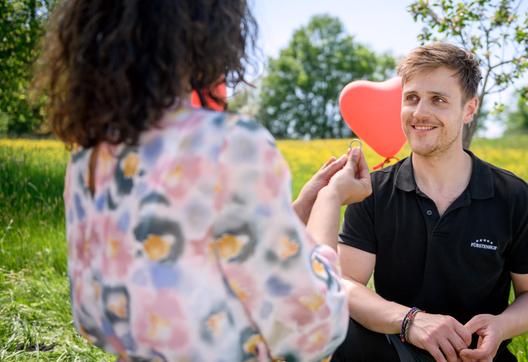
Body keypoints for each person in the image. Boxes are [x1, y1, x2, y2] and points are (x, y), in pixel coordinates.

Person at [34, 0, 371, 360]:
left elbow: (96, 314)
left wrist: (302, 205)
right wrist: (331, 199)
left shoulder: (88, 159)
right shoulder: (228, 145)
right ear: (211, 27)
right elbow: (312, 324)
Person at [332, 43, 528, 362]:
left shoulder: (515, 197)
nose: (420, 113)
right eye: (411, 98)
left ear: (469, 109)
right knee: (341, 334)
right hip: (393, 351)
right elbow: (346, 284)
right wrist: (411, 322)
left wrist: (501, 326)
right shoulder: (372, 192)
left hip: (476, 357)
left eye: (438, 99)